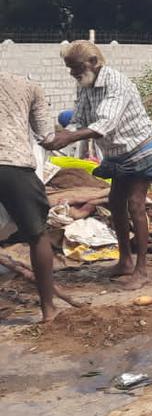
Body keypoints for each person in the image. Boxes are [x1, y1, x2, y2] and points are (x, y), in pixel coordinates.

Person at [43, 41, 152, 290]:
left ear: (93, 62)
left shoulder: (115, 82)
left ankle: (142, 270)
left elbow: (105, 124)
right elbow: (79, 120)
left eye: (75, 67)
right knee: (116, 204)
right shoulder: (86, 86)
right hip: (117, 154)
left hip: (141, 149)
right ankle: (125, 262)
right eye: (69, 68)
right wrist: (61, 135)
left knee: (135, 205)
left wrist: (69, 137)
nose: (72, 73)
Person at [1, 72, 64, 322]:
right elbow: (46, 137)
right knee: (37, 236)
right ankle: (48, 309)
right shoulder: (28, 86)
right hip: (15, 164)